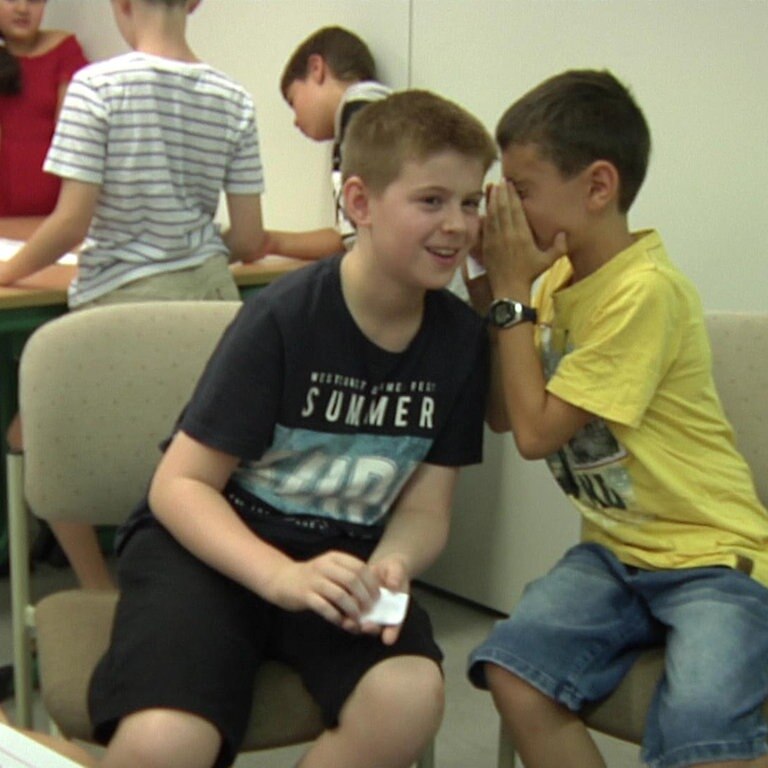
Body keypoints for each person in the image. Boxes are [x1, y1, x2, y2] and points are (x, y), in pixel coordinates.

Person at [466, 69, 768, 768]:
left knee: (700, 725)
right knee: (513, 670)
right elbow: (505, 416)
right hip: (614, 552)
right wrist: (492, 286)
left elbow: (537, 435)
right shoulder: (553, 281)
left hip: (709, 556)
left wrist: (511, 292)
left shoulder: (645, 292)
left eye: (522, 190)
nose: (506, 209)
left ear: (598, 187)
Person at [0, 0, 267, 592]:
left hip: (120, 314)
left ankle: (100, 590)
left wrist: (8, 271)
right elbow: (250, 239)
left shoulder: (95, 87)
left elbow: (71, 222)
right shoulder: (234, 98)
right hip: (213, 310)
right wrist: (190, 245)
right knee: (192, 452)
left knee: (30, 438)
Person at [259, 25, 391, 261]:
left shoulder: (361, 112)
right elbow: (348, 237)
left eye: (293, 101)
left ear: (316, 69)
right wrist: (268, 242)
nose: (295, 120)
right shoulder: (357, 120)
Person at [0, 0, 88, 216]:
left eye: (34, 0)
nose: (23, 9)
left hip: (55, 206)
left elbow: (73, 136)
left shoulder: (64, 50)